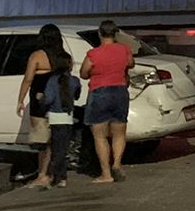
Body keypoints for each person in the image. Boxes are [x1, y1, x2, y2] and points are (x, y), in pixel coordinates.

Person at [79, 19, 134, 184]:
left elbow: (83, 72)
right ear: (115, 33)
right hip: (119, 91)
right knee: (119, 133)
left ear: (100, 33)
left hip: (99, 93)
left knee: (100, 136)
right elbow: (130, 63)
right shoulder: (124, 49)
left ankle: (106, 173)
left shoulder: (93, 53)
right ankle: (117, 164)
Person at [17, 24, 67, 187]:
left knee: (42, 141)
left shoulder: (37, 56)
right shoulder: (65, 58)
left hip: (40, 103)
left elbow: (28, 79)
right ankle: (56, 174)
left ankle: (42, 175)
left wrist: (20, 99)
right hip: (60, 103)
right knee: (56, 141)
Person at [41, 50, 82, 188]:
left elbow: (49, 99)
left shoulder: (52, 81)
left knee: (56, 149)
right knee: (63, 149)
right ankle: (61, 177)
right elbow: (76, 96)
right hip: (67, 118)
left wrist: (41, 98)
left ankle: (56, 176)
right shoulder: (74, 81)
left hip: (54, 118)